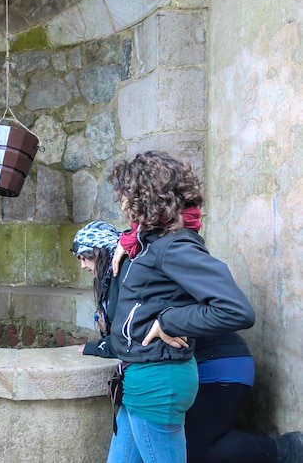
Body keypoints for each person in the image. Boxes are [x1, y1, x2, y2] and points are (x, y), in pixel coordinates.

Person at [73, 220, 303, 463]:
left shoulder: (133, 265)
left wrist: (97, 346)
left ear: (101, 252)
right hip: (192, 363)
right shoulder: (127, 269)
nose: (82, 265)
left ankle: (287, 450)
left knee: (195, 450)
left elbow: (131, 336)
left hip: (222, 364)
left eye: (85, 256)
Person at [103, 150, 256, 463]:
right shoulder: (151, 241)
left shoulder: (174, 245)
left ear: (147, 196)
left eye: (126, 195)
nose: (121, 204)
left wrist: (170, 321)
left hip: (158, 380)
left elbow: (236, 309)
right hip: (139, 377)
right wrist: (127, 240)